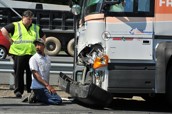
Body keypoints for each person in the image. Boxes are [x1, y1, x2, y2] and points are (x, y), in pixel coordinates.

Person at [0, 10, 46, 98]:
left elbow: (43, 36)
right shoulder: (15, 25)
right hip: (18, 53)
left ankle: (30, 90)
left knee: (31, 72)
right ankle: (18, 91)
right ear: (23, 18)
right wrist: (10, 40)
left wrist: (41, 47)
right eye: (28, 19)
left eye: (31, 19)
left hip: (31, 54)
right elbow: (3, 30)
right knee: (19, 72)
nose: (30, 21)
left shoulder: (35, 27)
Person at [28, 38, 62, 105]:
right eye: (36, 45)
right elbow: (35, 74)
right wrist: (47, 85)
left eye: (39, 45)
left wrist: (48, 86)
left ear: (44, 46)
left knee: (56, 98)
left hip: (45, 87)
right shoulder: (33, 59)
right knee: (58, 100)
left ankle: (38, 97)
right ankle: (37, 97)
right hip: (38, 87)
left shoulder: (48, 58)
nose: (37, 47)